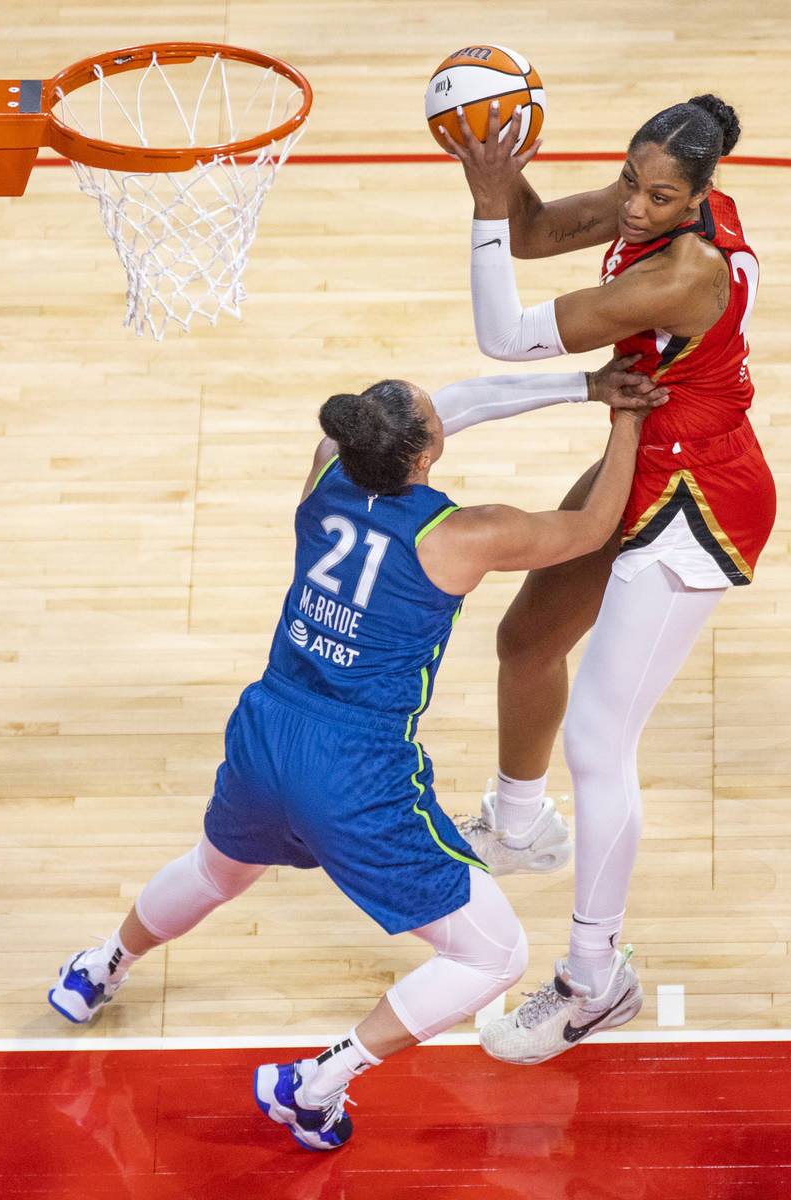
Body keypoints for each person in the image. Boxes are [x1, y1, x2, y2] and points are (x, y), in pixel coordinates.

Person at [47, 364, 666, 1150]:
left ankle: (98, 968)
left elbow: (419, 419)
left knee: (216, 870)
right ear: (424, 453)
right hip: (355, 768)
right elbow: (591, 529)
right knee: (496, 954)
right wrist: (626, 421)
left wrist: (584, 385)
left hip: (268, 727)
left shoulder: (325, 477)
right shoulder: (462, 534)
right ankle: (317, 1083)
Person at [439, 94, 776, 1064]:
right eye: (630, 180)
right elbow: (542, 227)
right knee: (526, 641)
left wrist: (480, 211)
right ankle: (517, 824)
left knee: (597, 738)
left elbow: (504, 336)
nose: (632, 205)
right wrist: (501, 188)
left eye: (656, 194)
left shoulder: (687, 268)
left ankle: (594, 980)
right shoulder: (654, 205)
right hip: (644, 451)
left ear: (701, 198)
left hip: (701, 493)